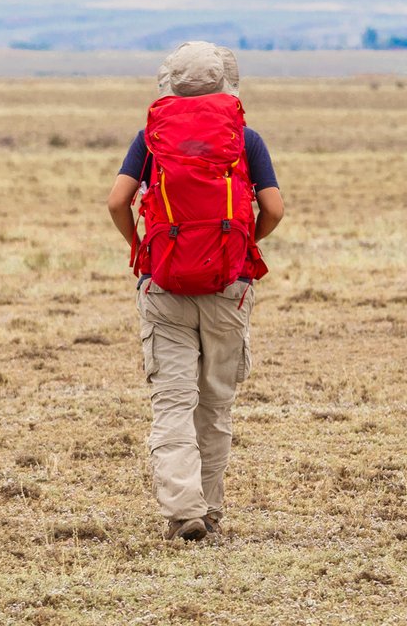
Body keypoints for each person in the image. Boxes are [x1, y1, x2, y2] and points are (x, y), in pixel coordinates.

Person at [106, 41, 285, 541]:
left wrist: (138, 246)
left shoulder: (151, 138)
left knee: (172, 402)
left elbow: (118, 200)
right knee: (215, 403)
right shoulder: (245, 139)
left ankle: (183, 510)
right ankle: (209, 510)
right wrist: (242, 244)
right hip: (229, 286)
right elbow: (273, 209)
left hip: (164, 284)